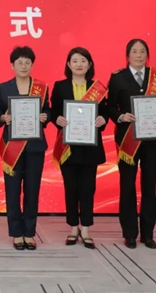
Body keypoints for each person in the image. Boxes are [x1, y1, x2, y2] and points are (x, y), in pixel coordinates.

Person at [107, 38, 156, 249]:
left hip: (152, 139)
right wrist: (121, 116)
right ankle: (130, 233)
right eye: (135, 51)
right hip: (128, 139)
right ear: (128, 55)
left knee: (149, 185)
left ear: (147, 55)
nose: (139, 55)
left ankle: (148, 234)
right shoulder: (118, 77)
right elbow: (109, 106)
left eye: (142, 51)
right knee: (127, 185)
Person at [50, 47, 108, 249]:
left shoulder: (98, 88)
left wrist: (103, 119)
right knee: (71, 189)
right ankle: (73, 228)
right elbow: (53, 111)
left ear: (89, 64)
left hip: (90, 147)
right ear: (68, 64)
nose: (79, 64)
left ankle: (86, 229)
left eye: (83, 60)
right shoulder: (60, 86)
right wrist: (57, 119)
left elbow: (105, 112)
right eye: (74, 61)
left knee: (88, 189)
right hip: (68, 146)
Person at [0, 46, 50, 250]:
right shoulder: (4, 87)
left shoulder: (42, 88)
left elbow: (49, 110)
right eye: (19, 62)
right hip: (12, 146)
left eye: (27, 62)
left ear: (32, 65)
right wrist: (3, 117)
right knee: (12, 190)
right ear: (12, 65)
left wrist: (46, 117)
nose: (24, 66)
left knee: (32, 190)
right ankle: (16, 233)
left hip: (35, 146)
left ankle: (29, 233)